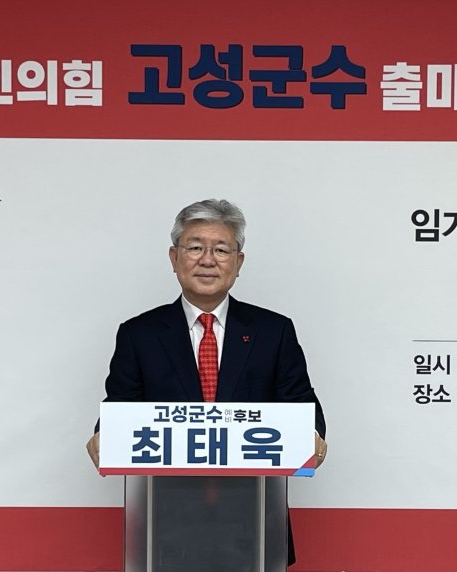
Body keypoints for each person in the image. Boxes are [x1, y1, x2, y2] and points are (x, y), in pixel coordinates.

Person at [86, 198, 327, 567]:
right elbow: (121, 406)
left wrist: (312, 435)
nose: (208, 260)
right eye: (195, 247)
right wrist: (105, 435)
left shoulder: (273, 331)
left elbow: (301, 404)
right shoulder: (139, 334)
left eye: (221, 250)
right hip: (166, 525)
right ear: (174, 258)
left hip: (252, 523)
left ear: (238, 262)